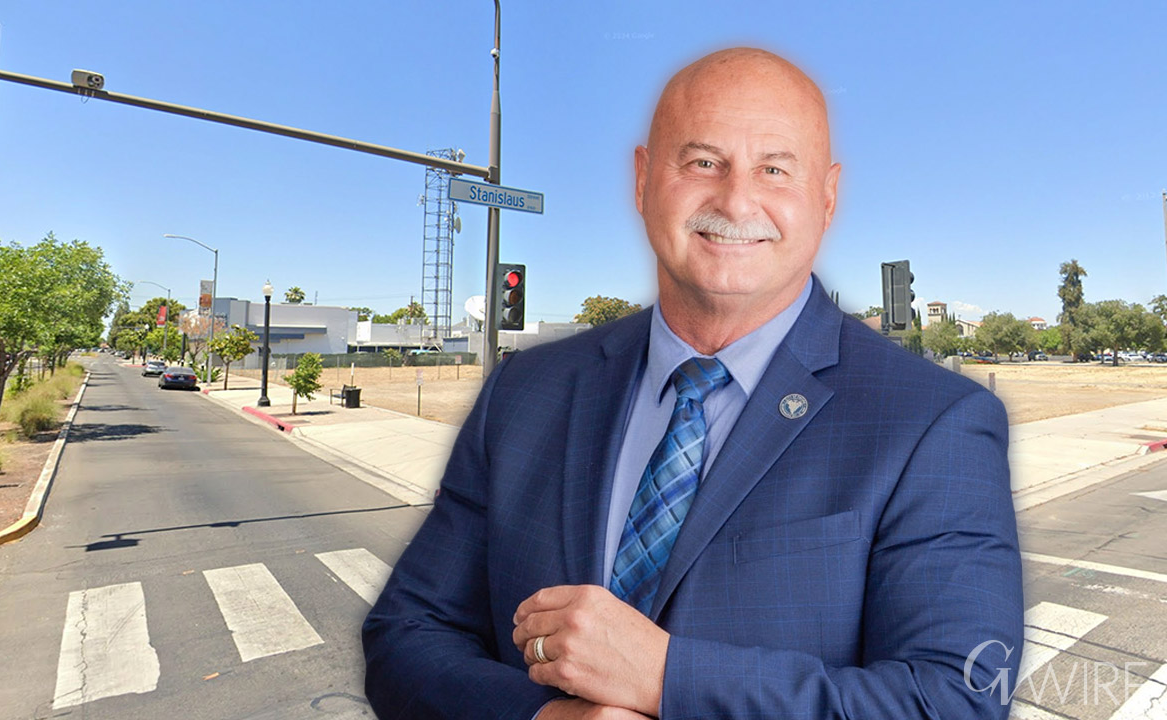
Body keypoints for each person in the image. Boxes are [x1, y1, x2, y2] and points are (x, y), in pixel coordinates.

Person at [363, 47, 1023, 719]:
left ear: (826, 199)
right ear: (643, 180)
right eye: (703, 162)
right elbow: (406, 633)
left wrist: (664, 676)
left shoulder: (936, 422)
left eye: (774, 169)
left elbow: (955, 699)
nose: (736, 200)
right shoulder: (523, 393)